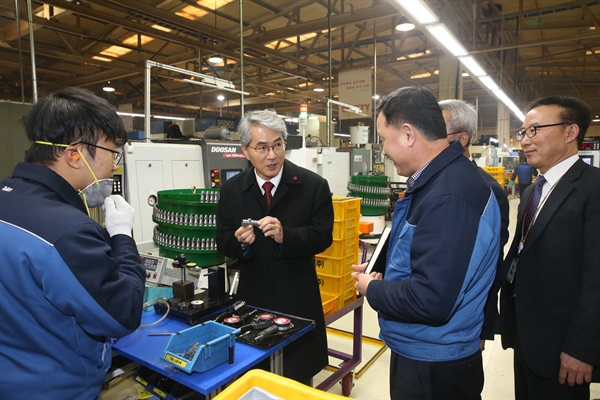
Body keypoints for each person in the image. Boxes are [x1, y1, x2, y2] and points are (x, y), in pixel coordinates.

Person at [352, 86, 501, 400]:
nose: (383, 150)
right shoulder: (438, 182)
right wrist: (385, 272)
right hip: (424, 348)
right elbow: (424, 256)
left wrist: (373, 289)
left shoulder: (449, 195)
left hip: (435, 364)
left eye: (383, 139)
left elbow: (430, 299)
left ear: (408, 134)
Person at [0, 87, 146, 399]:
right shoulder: (68, 231)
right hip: (56, 389)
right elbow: (123, 313)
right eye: (111, 153)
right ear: (74, 154)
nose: (112, 165)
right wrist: (122, 237)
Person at [216, 109, 334, 384]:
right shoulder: (232, 191)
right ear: (245, 150)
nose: (272, 155)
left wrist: (286, 236)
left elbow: (322, 236)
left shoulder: (313, 185)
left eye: (278, 145)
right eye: (262, 147)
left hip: (297, 295)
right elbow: (221, 239)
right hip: (253, 295)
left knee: (296, 376)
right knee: (255, 375)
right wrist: (238, 242)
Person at [499, 96, 600, 399]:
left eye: (535, 130)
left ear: (571, 133)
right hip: (526, 336)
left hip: (564, 348)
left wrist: (582, 349)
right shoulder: (533, 190)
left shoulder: (593, 189)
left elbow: (597, 279)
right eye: (523, 132)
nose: (525, 140)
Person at [438, 99, 510, 348]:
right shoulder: (431, 182)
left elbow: (491, 266)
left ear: (461, 139)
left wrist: (483, 326)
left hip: (463, 327)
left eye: (437, 132)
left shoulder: (487, 190)